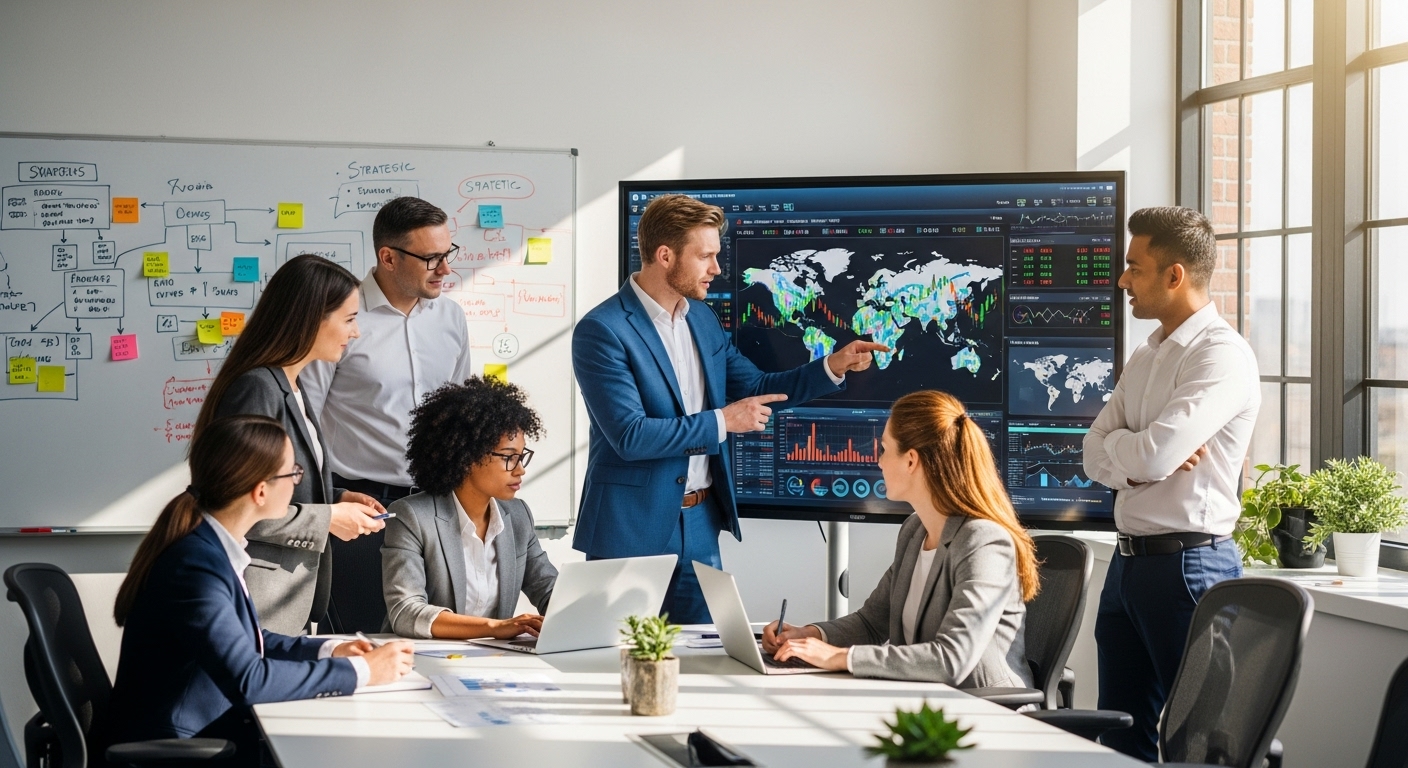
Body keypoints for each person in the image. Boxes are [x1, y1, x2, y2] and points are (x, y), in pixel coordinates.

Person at [572, 194, 888, 624]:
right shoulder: (602, 330)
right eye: (705, 256)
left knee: (706, 664)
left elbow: (757, 386)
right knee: (614, 666)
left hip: (700, 524)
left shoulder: (702, 320)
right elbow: (630, 435)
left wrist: (833, 365)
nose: (717, 269)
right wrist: (724, 421)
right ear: (665, 256)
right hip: (631, 529)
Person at [108, 415, 414, 767]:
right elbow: (249, 679)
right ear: (261, 491)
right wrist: (363, 672)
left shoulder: (213, 549)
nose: (298, 482)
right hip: (183, 746)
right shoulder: (196, 566)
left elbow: (251, 639)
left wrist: (331, 650)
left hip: (211, 730)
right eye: (293, 473)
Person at [1083, 207, 1260, 760]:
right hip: (1129, 566)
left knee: (1197, 743)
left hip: (1189, 568)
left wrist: (1139, 452)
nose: (1122, 280)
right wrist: (1134, 454)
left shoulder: (1220, 356)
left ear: (1174, 275)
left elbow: (1156, 452)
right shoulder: (1148, 352)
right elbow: (1093, 451)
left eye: (1134, 267)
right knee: (1122, 736)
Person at [762, 390, 1038, 686]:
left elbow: (951, 660)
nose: (879, 462)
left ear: (910, 461)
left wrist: (838, 658)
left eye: (884, 449)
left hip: (984, 714)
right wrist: (811, 635)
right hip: (923, 703)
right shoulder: (914, 531)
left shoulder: (983, 541)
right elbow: (871, 623)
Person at [302, 196, 474, 632]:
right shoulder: (341, 317)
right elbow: (304, 420)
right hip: (363, 509)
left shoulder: (451, 318)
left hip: (436, 507)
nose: (445, 268)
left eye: (447, 254)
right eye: (432, 258)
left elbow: (460, 417)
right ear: (388, 257)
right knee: (364, 640)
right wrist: (326, 502)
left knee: (437, 641)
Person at [193, 254, 386, 635]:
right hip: (256, 599)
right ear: (311, 317)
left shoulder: (292, 386)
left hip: (287, 603)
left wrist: (338, 497)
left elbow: (276, 486)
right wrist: (328, 518)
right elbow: (234, 505)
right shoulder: (257, 389)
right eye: (349, 319)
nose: (356, 333)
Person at [381, 377, 557, 639]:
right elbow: (406, 611)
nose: (520, 470)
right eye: (509, 458)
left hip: (495, 661)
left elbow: (549, 590)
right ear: (467, 457)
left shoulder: (518, 516)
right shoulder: (412, 517)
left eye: (521, 457)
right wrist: (495, 628)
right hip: (423, 658)